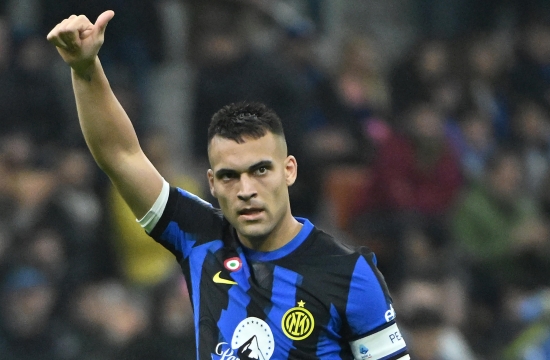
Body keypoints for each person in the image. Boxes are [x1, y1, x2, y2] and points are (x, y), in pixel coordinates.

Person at [46, 10, 409, 360]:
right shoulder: (198, 237)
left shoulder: (350, 274)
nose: (246, 188)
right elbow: (120, 155)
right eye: (229, 176)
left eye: (260, 170)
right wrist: (84, 68)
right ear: (212, 184)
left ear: (289, 171)